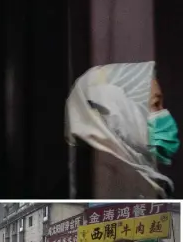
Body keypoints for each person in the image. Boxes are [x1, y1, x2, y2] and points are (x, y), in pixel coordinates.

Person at [66, 62, 180, 198]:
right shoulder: (109, 183)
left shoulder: (136, 175)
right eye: (156, 104)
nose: (165, 114)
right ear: (117, 110)